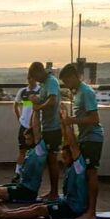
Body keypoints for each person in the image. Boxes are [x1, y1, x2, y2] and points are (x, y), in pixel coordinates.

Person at [0, 111, 87, 219]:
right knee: (37, 206)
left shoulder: (78, 166)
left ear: (73, 156)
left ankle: (4, 214)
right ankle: (5, 212)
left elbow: (73, 144)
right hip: (67, 202)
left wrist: (67, 123)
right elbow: (66, 141)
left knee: (39, 210)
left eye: (65, 157)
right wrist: (63, 123)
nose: (63, 161)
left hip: (73, 209)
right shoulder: (70, 166)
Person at [59, 64, 103, 219]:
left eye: (66, 81)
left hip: (93, 137)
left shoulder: (86, 92)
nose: (66, 85)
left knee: (91, 172)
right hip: (85, 137)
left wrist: (72, 120)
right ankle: (85, 207)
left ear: (73, 77)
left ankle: (91, 211)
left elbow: (94, 118)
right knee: (84, 173)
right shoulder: (77, 93)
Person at [28, 61, 62, 200]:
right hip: (46, 127)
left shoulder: (51, 82)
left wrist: (39, 107)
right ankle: (52, 191)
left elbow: (52, 101)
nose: (35, 80)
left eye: (35, 76)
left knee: (52, 160)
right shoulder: (43, 84)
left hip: (54, 128)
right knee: (48, 160)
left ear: (39, 72)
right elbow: (45, 100)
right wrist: (37, 100)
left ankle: (54, 192)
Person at [13, 75, 42, 179]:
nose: (31, 80)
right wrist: (20, 118)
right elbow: (16, 105)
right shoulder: (22, 91)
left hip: (36, 127)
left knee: (36, 152)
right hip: (24, 126)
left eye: (33, 77)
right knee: (22, 150)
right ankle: (17, 173)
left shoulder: (41, 91)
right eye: (29, 78)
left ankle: (33, 173)